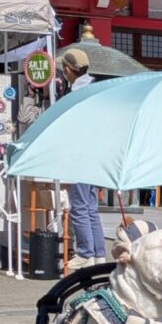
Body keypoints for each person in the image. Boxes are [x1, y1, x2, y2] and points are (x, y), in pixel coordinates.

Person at [60, 48, 105, 271]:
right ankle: (98, 253)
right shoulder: (96, 89)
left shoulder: (76, 94)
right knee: (91, 208)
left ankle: (85, 253)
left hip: (79, 154)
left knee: (79, 206)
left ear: (68, 69)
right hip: (95, 154)